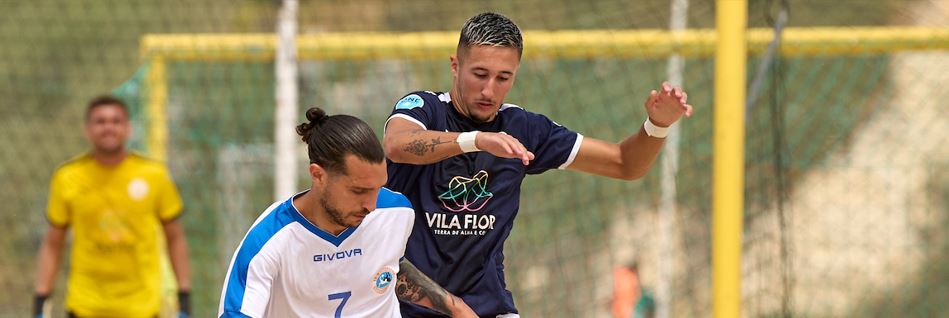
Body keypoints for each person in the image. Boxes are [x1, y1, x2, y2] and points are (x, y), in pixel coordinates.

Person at [382, 12, 692, 317]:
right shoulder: (425, 108)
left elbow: (625, 164)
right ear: (455, 65)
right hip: (407, 307)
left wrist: (657, 125)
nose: (490, 90)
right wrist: (475, 140)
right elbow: (396, 144)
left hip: (487, 308)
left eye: (503, 78)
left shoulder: (524, 127)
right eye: (479, 74)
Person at [218, 107, 477, 317]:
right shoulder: (269, 241)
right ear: (318, 175)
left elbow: (389, 265)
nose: (371, 205)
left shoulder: (396, 212)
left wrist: (455, 308)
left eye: (378, 188)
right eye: (358, 191)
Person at [33, 95, 192, 317]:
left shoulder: (154, 175)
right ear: (87, 129)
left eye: (116, 121)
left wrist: (184, 299)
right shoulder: (67, 177)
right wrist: (41, 300)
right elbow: (53, 243)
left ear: (127, 128)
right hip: (85, 306)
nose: (108, 127)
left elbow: (175, 238)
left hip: (141, 308)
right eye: (100, 121)